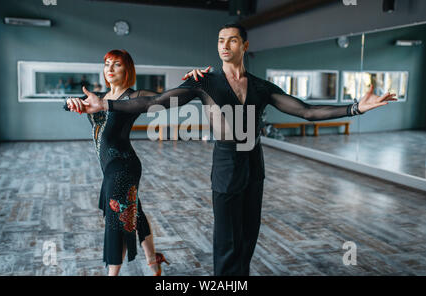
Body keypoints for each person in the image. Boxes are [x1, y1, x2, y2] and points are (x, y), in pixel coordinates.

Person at [77, 24, 398, 275]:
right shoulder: (204, 81)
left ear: (245, 46)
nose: (224, 46)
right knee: (226, 245)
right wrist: (107, 102)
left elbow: (307, 111)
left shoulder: (260, 87)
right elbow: (156, 103)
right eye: (220, 41)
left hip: (254, 169)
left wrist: (355, 108)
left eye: (232, 40)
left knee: (246, 242)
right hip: (226, 167)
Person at [64, 49, 172, 276]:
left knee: (117, 223)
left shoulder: (132, 97)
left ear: (127, 70)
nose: (110, 69)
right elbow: (70, 105)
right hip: (111, 169)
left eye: (117, 64)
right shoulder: (100, 97)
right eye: (107, 64)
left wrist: (196, 83)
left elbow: (163, 99)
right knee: (134, 212)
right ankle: (153, 260)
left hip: (123, 167)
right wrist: (70, 101)